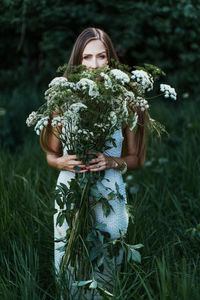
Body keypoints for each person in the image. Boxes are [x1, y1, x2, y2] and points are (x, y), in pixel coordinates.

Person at [40, 27, 146, 293]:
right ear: (77, 60)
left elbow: (136, 159)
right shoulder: (63, 98)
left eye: (102, 57)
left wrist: (112, 162)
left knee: (109, 260)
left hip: (110, 191)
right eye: (87, 58)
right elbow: (50, 154)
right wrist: (60, 162)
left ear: (111, 59)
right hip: (70, 189)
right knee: (68, 259)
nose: (94, 65)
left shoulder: (126, 99)